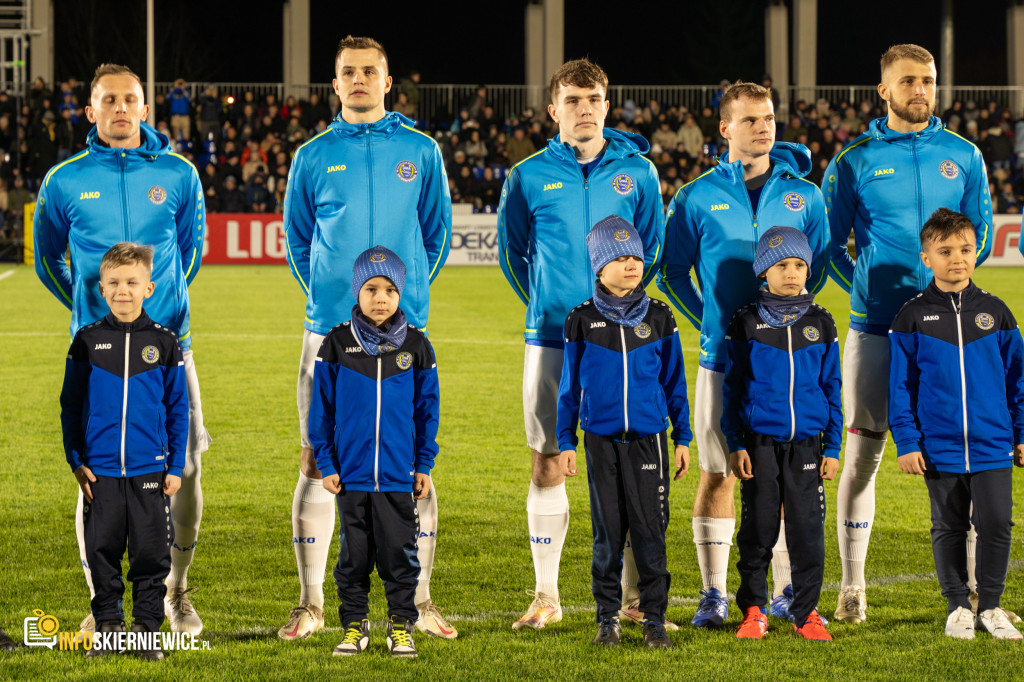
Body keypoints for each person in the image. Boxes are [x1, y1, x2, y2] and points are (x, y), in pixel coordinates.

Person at [282, 35, 454, 641]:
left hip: (406, 336)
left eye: (369, 72)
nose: (358, 80)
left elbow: (435, 236)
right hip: (328, 333)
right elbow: (297, 242)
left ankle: (422, 600)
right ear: (335, 85)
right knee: (315, 458)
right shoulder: (311, 155)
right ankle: (310, 603)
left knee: (413, 466)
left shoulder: (421, 150)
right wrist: (336, 302)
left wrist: (397, 307)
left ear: (387, 82)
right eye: (348, 72)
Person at [33, 63, 208, 636]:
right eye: (108, 101)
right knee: (96, 477)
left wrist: (156, 317)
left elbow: (191, 252)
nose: (120, 109)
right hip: (99, 356)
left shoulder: (179, 174)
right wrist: (91, 317)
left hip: (168, 348)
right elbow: (46, 260)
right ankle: (101, 601)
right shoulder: (63, 180)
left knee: (183, 468)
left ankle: (175, 594)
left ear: (145, 107)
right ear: (90, 111)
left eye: (130, 100)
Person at [823, 44, 993, 624]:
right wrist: (867, 285)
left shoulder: (964, 156)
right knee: (863, 455)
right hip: (875, 329)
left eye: (928, 80)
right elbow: (827, 246)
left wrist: (942, 290)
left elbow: (983, 237)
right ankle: (852, 587)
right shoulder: (854, 159)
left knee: (959, 459)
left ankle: (973, 593)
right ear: (884, 90)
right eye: (908, 81)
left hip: (948, 330)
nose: (920, 90)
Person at [497, 57, 664, 631]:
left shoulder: (638, 173)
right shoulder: (527, 175)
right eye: (572, 100)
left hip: (625, 339)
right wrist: (554, 308)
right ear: (553, 110)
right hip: (551, 338)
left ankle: (632, 597)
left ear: (607, 105)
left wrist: (619, 309)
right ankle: (546, 595)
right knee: (548, 458)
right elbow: (512, 253)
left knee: (630, 459)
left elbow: (653, 250)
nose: (584, 109)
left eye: (593, 98)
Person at [657, 81, 830, 628]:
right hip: (721, 360)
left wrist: (791, 318)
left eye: (770, 118)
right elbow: (672, 273)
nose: (763, 127)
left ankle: (782, 592)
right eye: (750, 119)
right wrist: (714, 323)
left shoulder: (808, 194)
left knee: (782, 478)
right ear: (724, 129)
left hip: (788, 360)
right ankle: (713, 594)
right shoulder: (694, 196)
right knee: (718, 473)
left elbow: (818, 267)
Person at [889, 208, 1024, 641]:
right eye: (945, 251)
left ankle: (991, 606)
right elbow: (900, 388)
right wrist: (908, 441)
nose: (957, 259)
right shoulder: (910, 316)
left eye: (965, 249)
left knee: (997, 522)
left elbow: (1017, 382)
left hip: (992, 443)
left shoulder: (997, 313)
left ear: (976, 251)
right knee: (948, 526)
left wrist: (1021, 435)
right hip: (939, 445)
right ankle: (957, 607)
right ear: (926, 257)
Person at [556, 215, 691, 648]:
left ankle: (653, 618)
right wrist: (566, 441)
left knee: (651, 532)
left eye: (635, 256)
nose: (632, 265)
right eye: (619, 258)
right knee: (607, 534)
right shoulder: (581, 319)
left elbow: (675, 381)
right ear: (599, 265)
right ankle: (607, 618)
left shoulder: (660, 315)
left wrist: (683, 436)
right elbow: (568, 389)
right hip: (600, 442)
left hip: (649, 440)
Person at [60, 242, 188, 661]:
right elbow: (71, 405)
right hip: (101, 473)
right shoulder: (87, 341)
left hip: (150, 471)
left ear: (149, 288)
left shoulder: (165, 343)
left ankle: (146, 628)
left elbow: (177, 410)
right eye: (114, 283)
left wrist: (174, 466)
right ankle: (109, 625)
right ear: (101, 287)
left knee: (151, 554)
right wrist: (76, 460)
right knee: (103, 551)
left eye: (132, 282)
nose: (123, 291)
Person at [308, 247, 437, 659]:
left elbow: (427, 412)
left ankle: (400, 624)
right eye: (371, 289)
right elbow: (321, 411)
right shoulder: (337, 343)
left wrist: (423, 465)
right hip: (351, 476)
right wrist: (326, 463)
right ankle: (354, 625)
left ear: (400, 295)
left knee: (401, 554)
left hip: (398, 476)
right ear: (357, 291)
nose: (380, 298)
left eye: (389, 290)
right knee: (354, 557)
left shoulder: (416, 345)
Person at [722, 226, 841, 642]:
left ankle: (806, 612)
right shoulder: (746, 320)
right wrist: (736, 443)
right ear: (763, 272)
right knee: (759, 529)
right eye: (781, 265)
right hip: (759, 444)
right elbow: (733, 388)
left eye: (798, 265)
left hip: (808, 444)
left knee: (808, 530)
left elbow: (832, 387)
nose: (791, 273)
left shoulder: (821, 320)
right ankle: (754, 610)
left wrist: (834, 447)